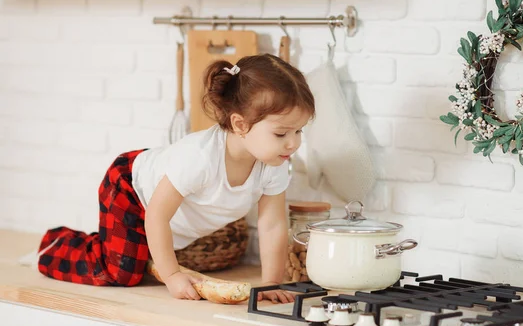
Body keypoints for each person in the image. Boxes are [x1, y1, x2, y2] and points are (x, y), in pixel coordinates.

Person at [36, 54, 315, 304]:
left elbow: (272, 225)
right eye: (282, 133)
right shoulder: (199, 157)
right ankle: (55, 244)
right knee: (120, 272)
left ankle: (107, 242)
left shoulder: (274, 161)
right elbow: (157, 214)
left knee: (133, 255)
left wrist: (270, 282)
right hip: (130, 187)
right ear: (240, 124)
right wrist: (171, 275)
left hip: (155, 205)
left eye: (299, 132)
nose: (293, 144)